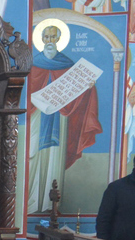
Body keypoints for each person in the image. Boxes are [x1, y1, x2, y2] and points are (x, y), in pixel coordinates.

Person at [27, 23, 102, 212]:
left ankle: (49, 205)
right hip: (36, 119)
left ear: (59, 40)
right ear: (41, 40)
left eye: (54, 37)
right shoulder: (32, 64)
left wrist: (88, 86)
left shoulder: (67, 64)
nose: (50, 41)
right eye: (47, 37)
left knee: (54, 159)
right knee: (33, 156)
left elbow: (75, 94)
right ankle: (31, 202)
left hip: (60, 120)